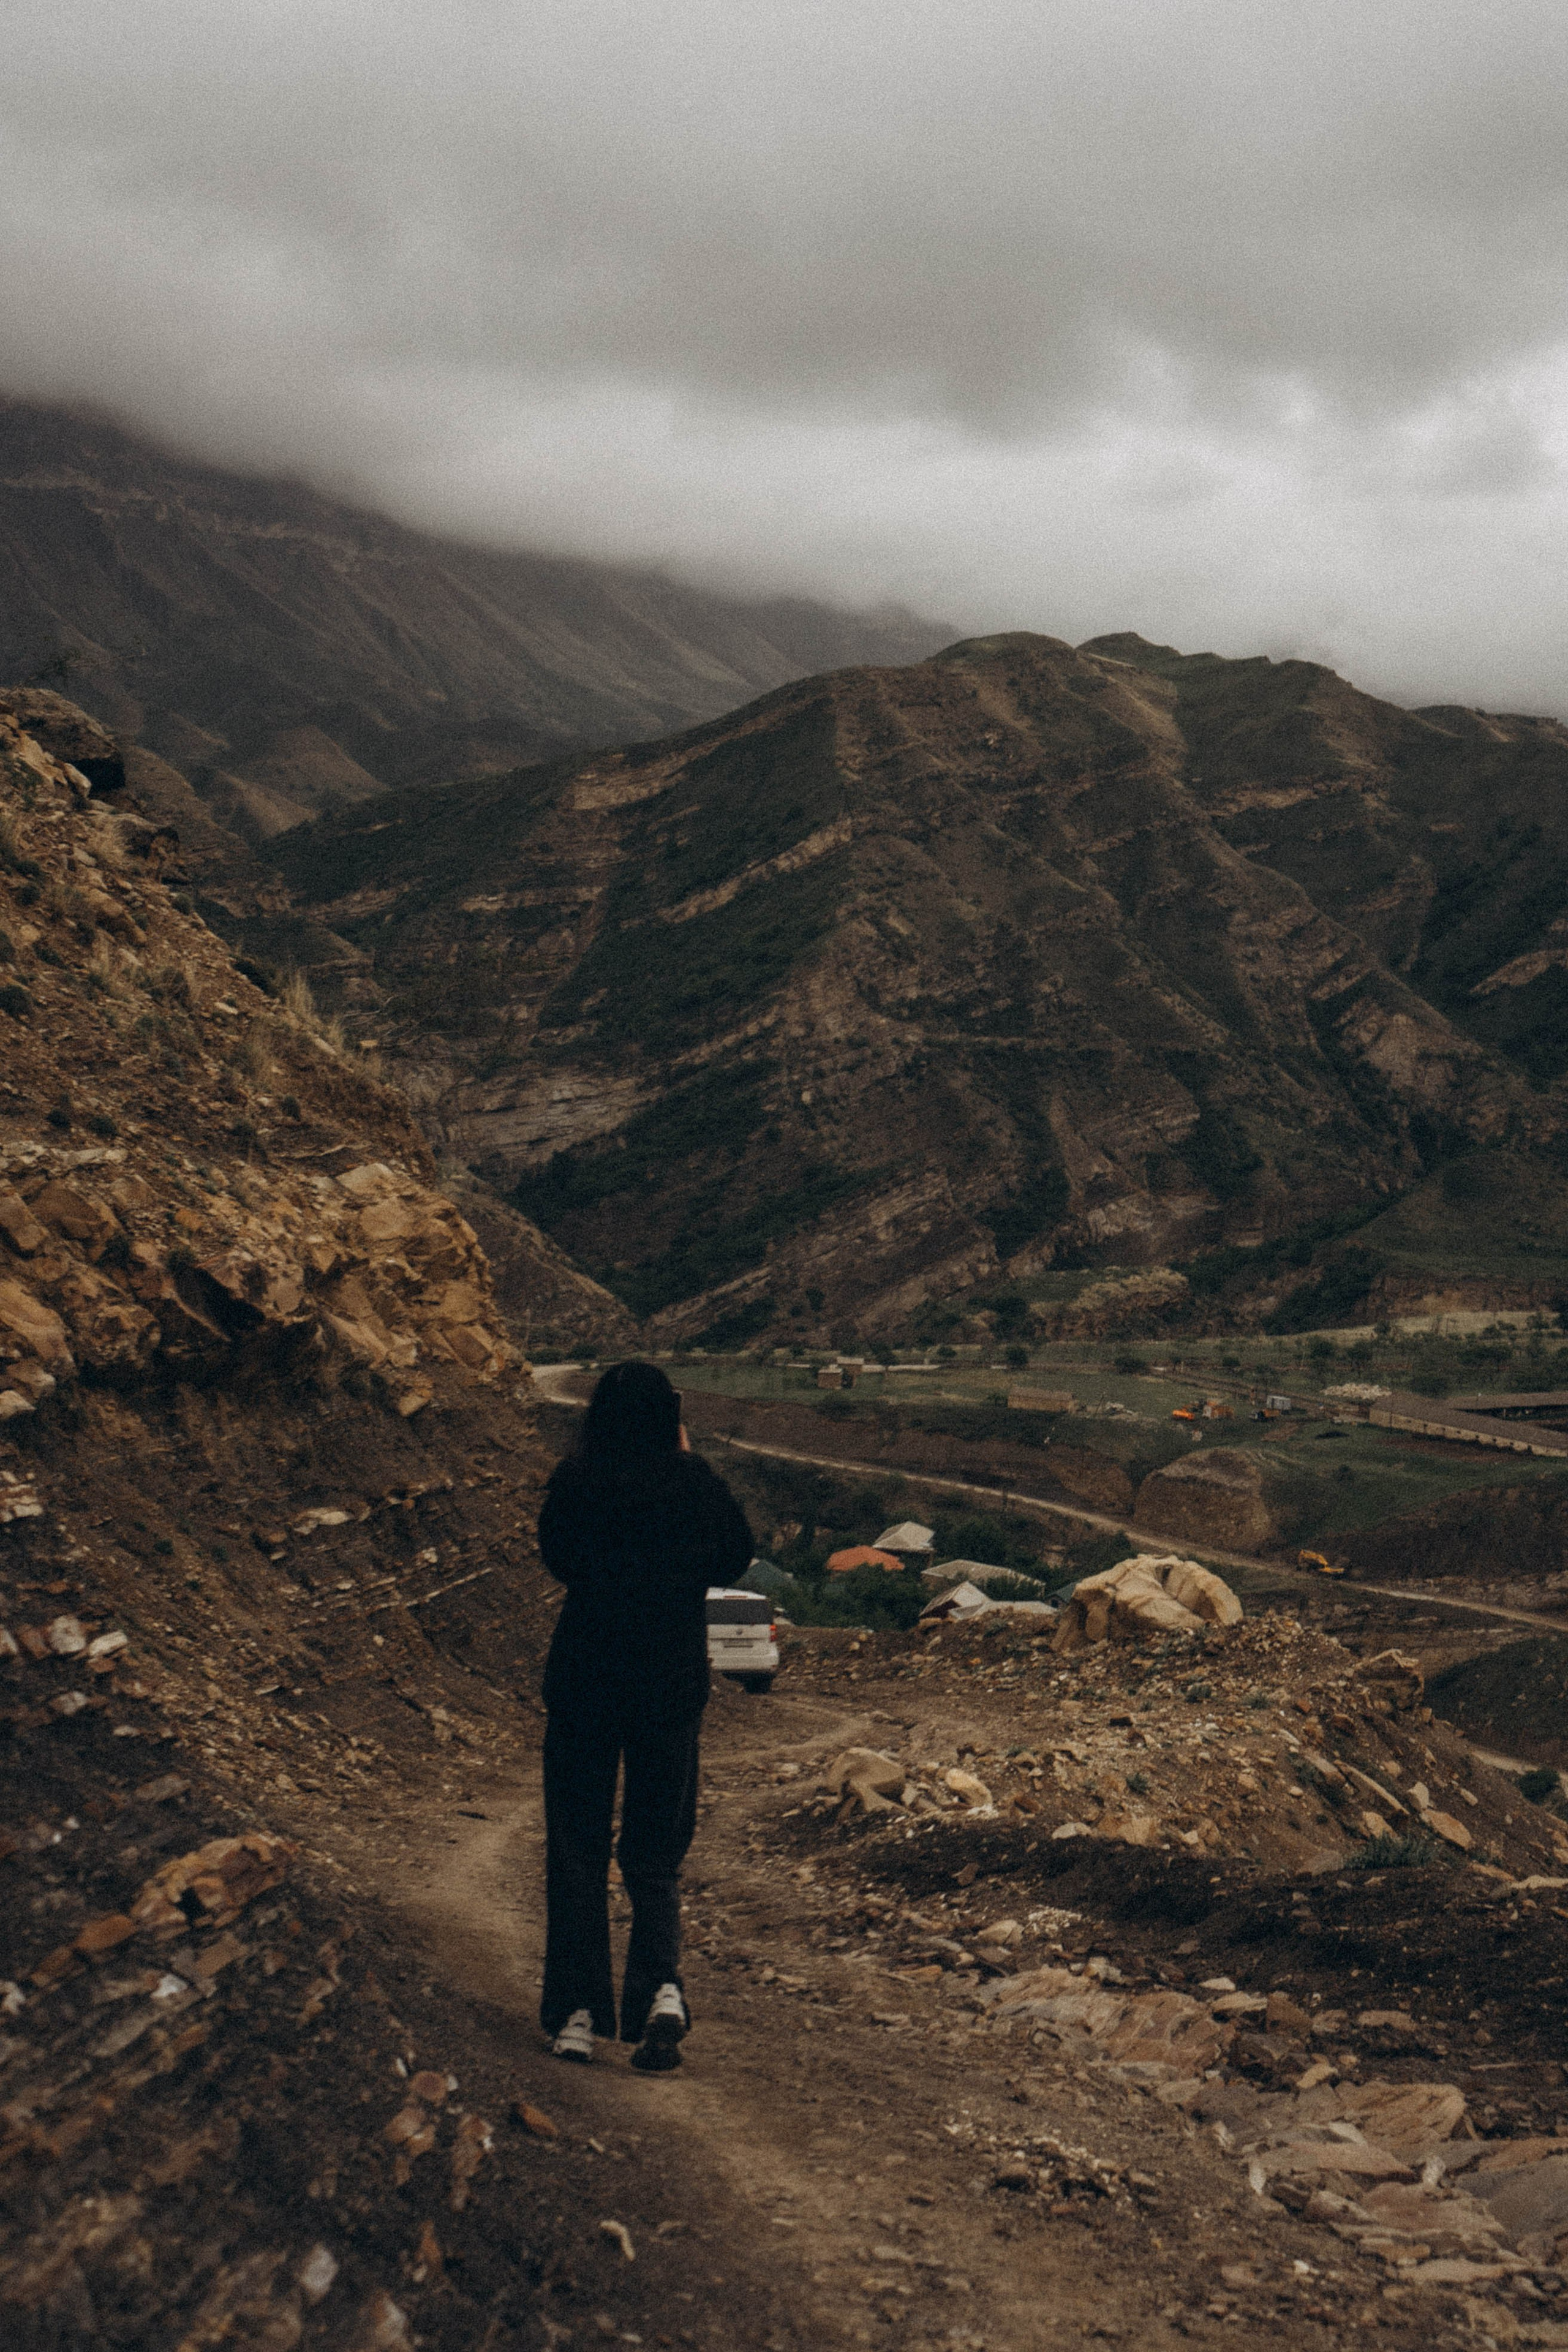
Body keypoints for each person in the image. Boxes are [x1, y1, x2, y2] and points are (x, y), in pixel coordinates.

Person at [536, 1360, 752, 2071]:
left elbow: (557, 1556)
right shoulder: (692, 1486)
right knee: (655, 1853)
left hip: (584, 1683)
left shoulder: (576, 1481)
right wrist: (688, 1464)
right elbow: (736, 1555)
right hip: (668, 1687)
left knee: (577, 1848)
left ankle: (577, 2013)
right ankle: (660, 1989)